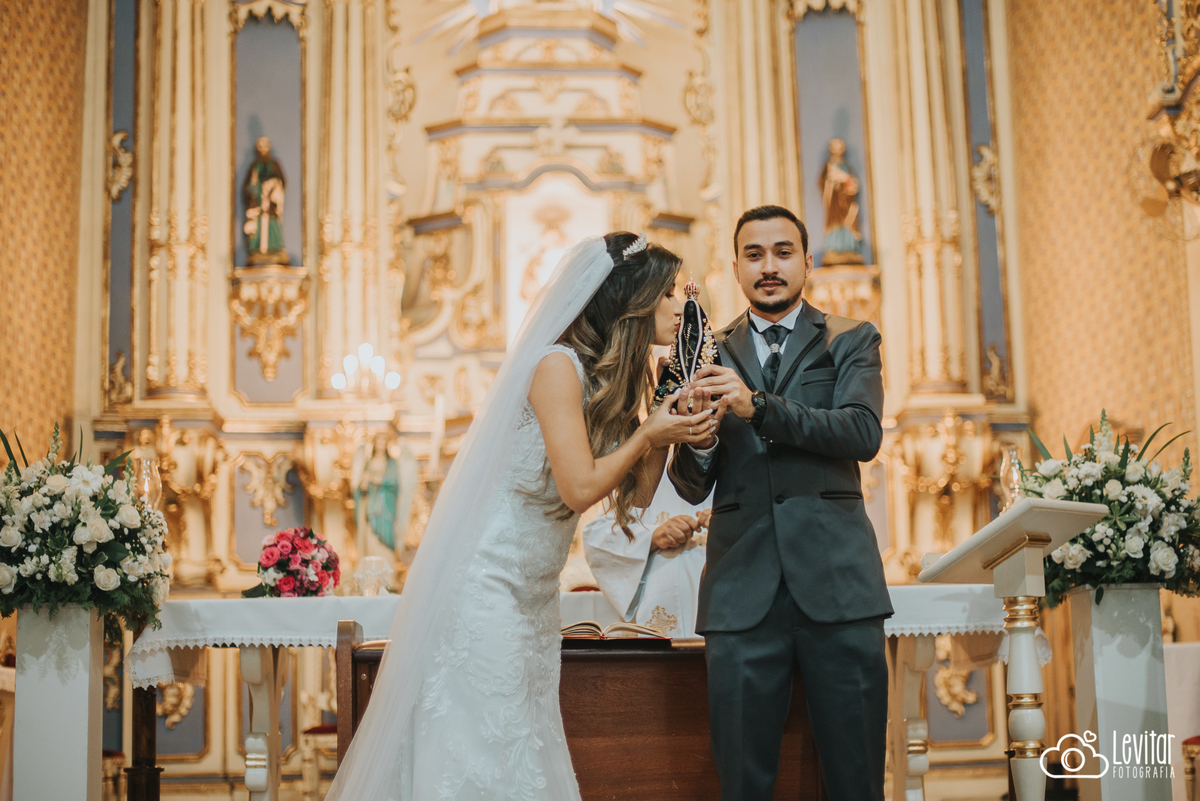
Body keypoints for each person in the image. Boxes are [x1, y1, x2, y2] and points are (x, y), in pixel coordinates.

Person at [325, 232, 718, 801]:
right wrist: (649, 434)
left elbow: (635, 498)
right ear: (630, 302)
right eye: (667, 294)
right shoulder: (556, 366)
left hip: (533, 594)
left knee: (525, 740)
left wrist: (662, 425)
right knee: (483, 743)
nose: (680, 306)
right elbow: (580, 487)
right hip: (486, 583)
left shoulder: (611, 379)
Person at [669, 205, 892, 801]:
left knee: (857, 781)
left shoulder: (850, 338)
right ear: (736, 267)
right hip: (742, 592)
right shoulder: (703, 351)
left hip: (840, 588)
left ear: (807, 261)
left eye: (783, 252)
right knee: (743, 784)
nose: (769, 267)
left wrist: (757, 406)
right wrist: (698, 434)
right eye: (754, 254)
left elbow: (860, 433)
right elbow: (691, 485)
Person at [582, 477, 710, 639]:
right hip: (659, 612)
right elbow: (597, 540)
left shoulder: (744, 465)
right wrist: (652, 536)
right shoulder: (647, 469)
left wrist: (733, 524)